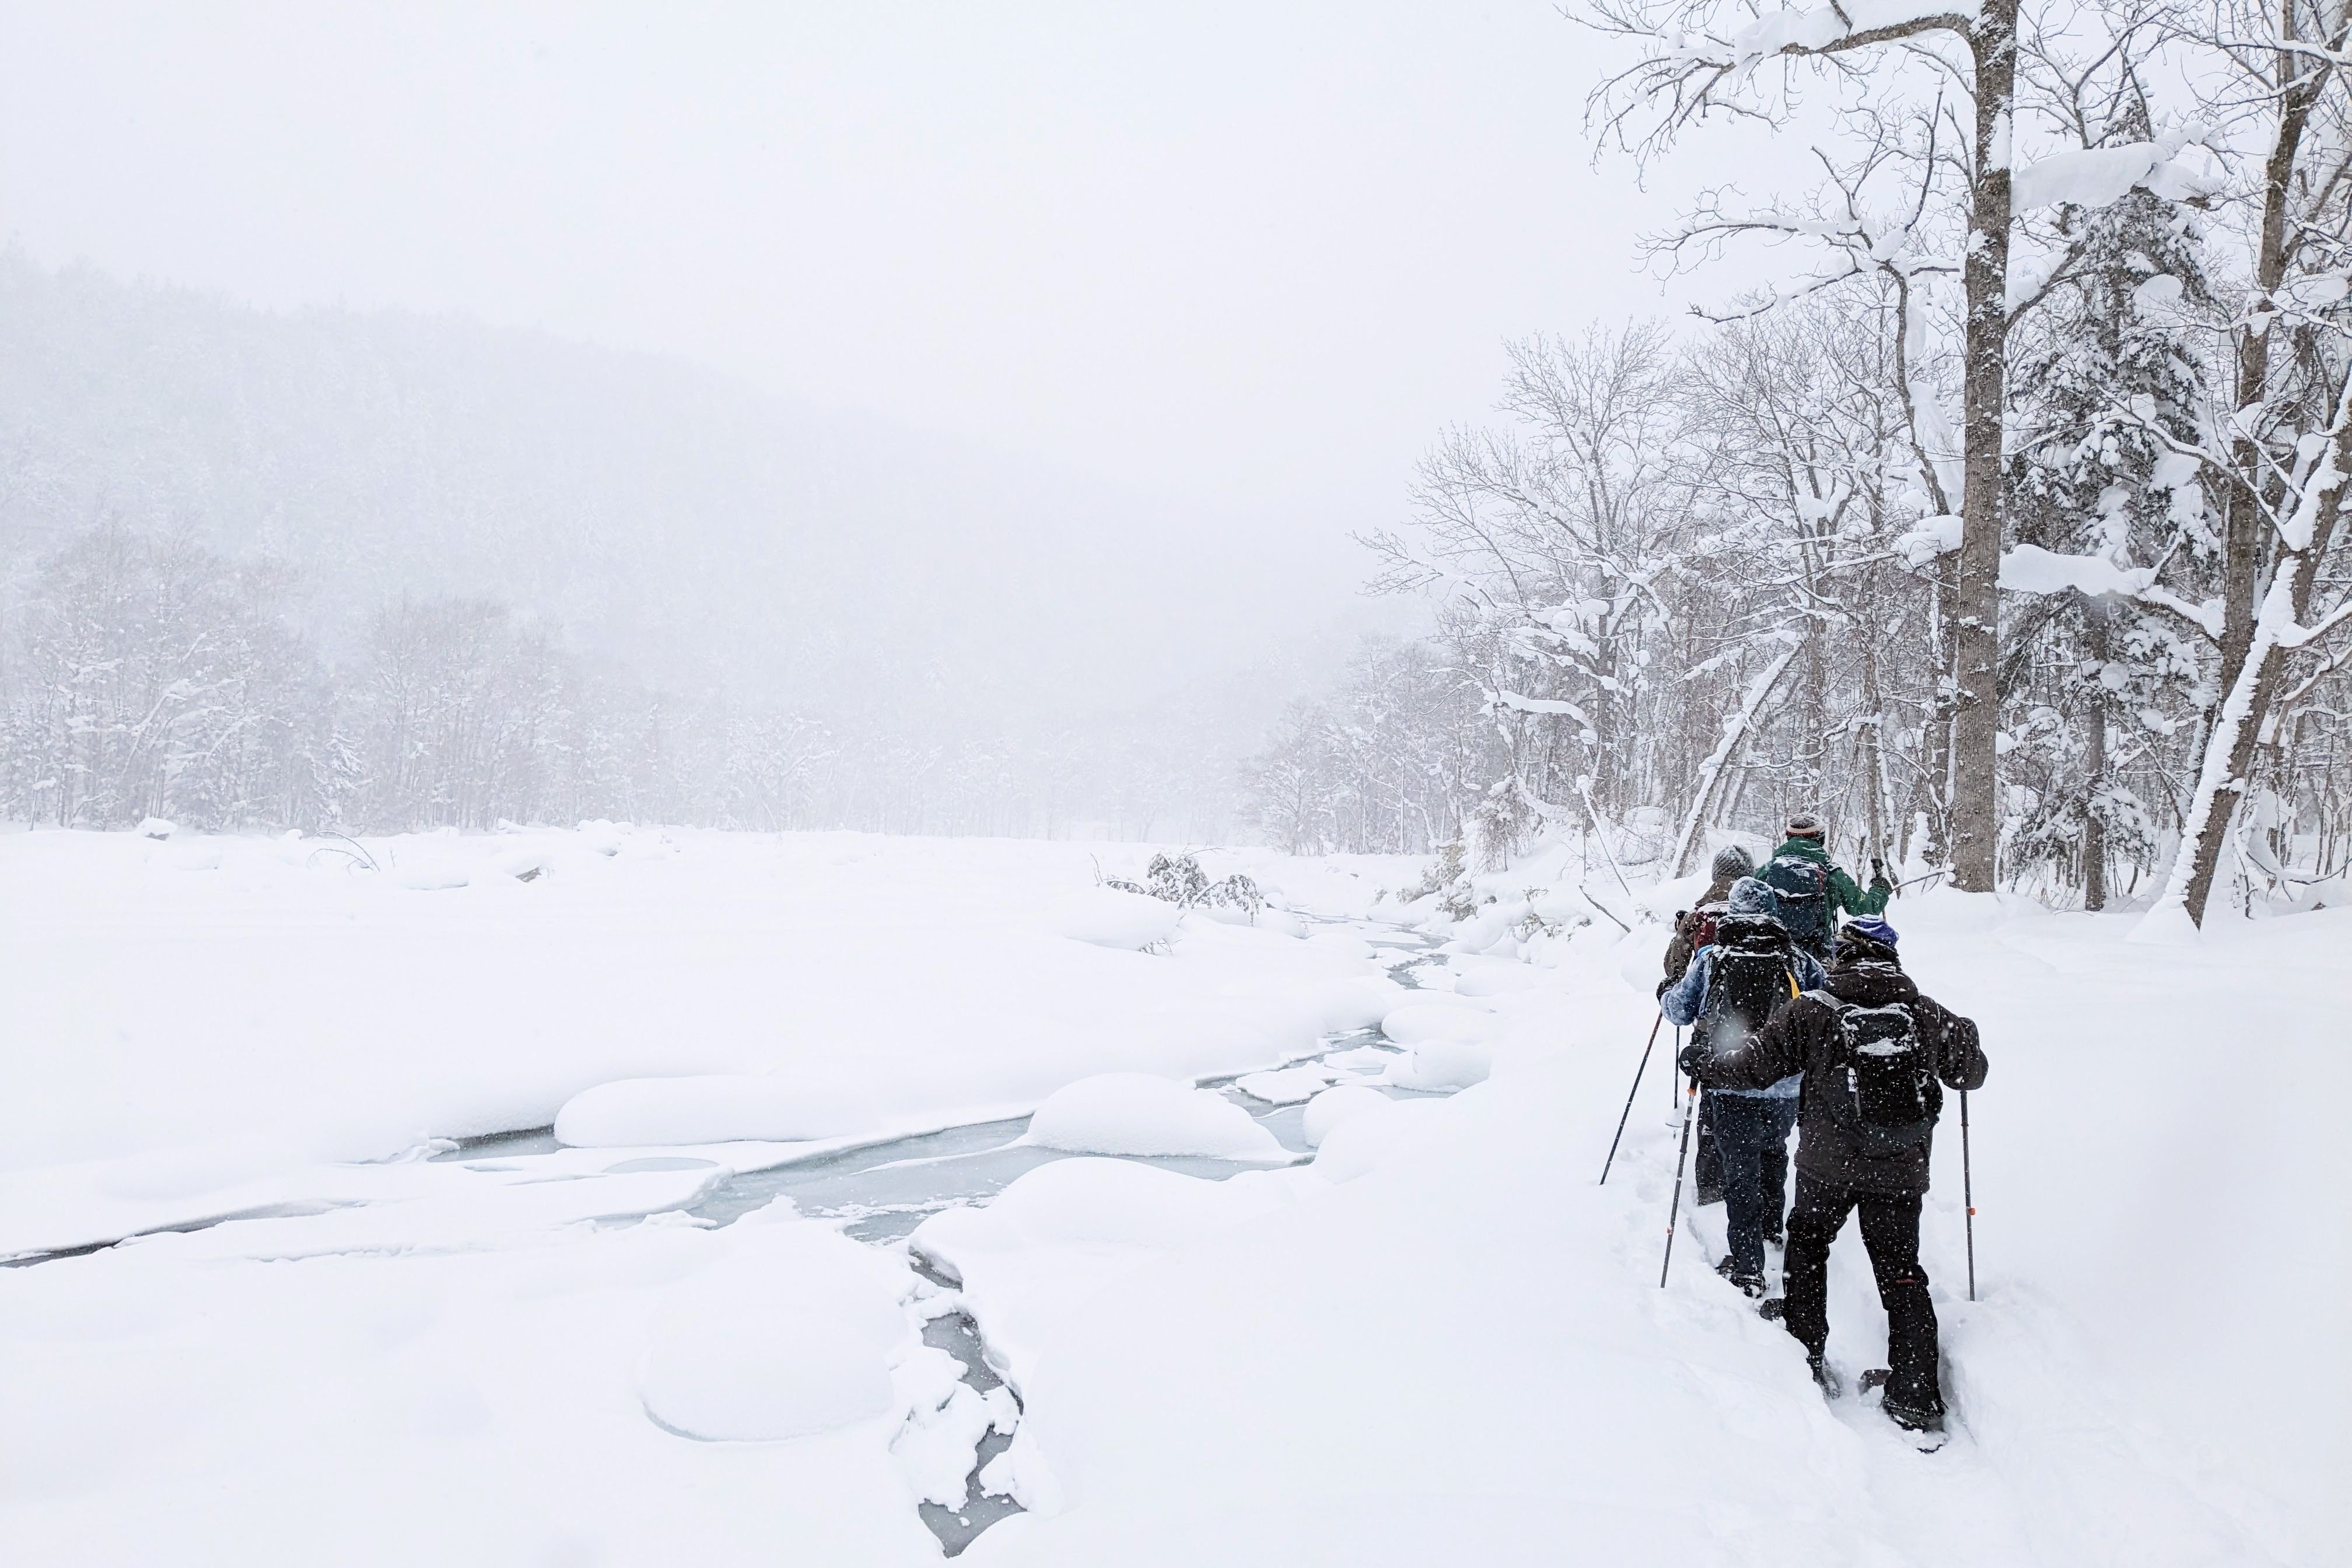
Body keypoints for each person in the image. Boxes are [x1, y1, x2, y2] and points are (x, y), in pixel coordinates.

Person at [1679, 916, 1987, 1436]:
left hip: (1829, 1165)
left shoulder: (1814, 1011)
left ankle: (1806, 1354)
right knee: (1901, 1269)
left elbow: (1757, 1066)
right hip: (1900, 1169)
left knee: (1809, 1246)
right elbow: (1970, 1075)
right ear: (1893, 958)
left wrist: (1707, 1063)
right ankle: (1913, 1394)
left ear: (1844, 954)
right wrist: (1965, 1039)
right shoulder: (1927, 1013)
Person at [1658, 877, 1826, 1297]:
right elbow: (1822, 1008)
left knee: (1739, 1173)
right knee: (1774, 1152)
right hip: (1784, 1084)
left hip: (1728, 1078)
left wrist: (1664, 992)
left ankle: (1748, 1268)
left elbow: (1680, 1011)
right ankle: (1772, 1231)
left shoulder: (1713, 957)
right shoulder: (1799, 959)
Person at [1660, 844, 1758, 1208]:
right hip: (1761, 1025)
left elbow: (1675, 966)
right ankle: (1758, 1183)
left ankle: (1712, 1185)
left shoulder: (1700, 913)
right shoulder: (1757, 907)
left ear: (1716, 873)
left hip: (1710, 1023)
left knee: (1713, 1107)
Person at [1758, 814, 1894, 958]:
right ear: (1820, 839)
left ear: (1789, 837)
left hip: (1772, 954)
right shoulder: (1831, 873)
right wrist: (1880, 890)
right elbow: (1866, 909)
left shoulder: (1767, 870)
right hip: (1817, 955)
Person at [1661, 843, 1756, 985]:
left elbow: (1675, 965)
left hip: (1705, 985)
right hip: (1750, 985)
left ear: (1716, 873)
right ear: (1748, 874)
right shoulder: (1757, 913)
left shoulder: (1697, 915)